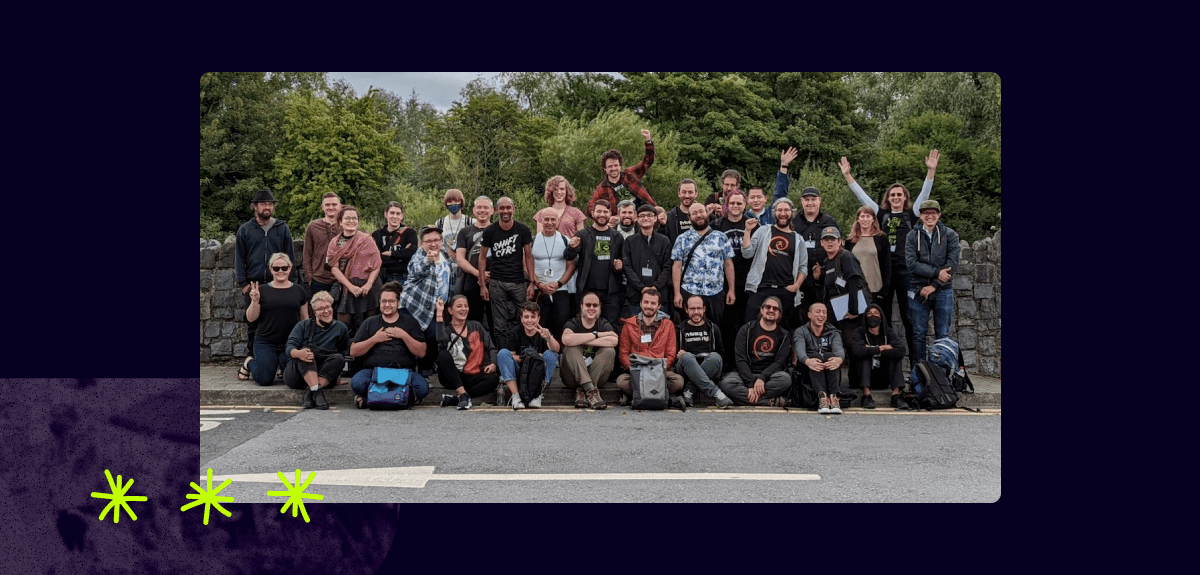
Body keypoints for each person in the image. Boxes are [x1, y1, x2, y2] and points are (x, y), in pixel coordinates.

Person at [840, 150, 937, 362]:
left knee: (908, 318)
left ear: (905, 198)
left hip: (905, 272)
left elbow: (925, 194)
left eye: (899, 195)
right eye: (892, 194)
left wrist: (931, 171)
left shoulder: (912, 215)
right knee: (882, 318)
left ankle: (915, 365)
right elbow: (862, 197)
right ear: (887, 198)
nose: (895, 197)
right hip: (884, 272)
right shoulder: (881, 214)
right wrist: (848, 175)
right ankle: (886, 363)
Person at [347, 281, 430, 408]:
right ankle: (399, 398)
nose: (387, 305)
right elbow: (353, 351)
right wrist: (374, 339)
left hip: (403, 372)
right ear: (379, 302)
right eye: (383, 301)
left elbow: (422, 352)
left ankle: (372, 398)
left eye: (391, 301)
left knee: (422, 387)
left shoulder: (410, 322)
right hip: (375, 373)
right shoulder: (370, 322)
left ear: (398, 303)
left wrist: (404, 335)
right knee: (357, 382)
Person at [235, 189, 297, 355]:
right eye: (263, 204)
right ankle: (252, 359)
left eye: (270, 204)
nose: (267, 207)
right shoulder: (245, 230)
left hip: (278, 282)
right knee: (253, 323)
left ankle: (280, 360)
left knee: (279, 322)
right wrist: (243, 284)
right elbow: (239, 259)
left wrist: (292, 283)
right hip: (254, 283)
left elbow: (290, 257)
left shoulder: (282, 228)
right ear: (255, 207)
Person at [237, 253, 310, 386]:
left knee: (290, 376)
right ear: (270, 269)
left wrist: (304, 343)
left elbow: (305, 319)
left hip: (289, 343)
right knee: (264, 379)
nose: (280, 271)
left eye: (284, 268)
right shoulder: (262, 290)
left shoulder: (299, 290)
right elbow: (251, 318)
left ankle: (280, 366)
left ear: (290, 268)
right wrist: (255, 301)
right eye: (276, 268)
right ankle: (249, 362)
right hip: (266, 341)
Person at [905, 199, 961, 362]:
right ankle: (920, 375)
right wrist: (937, 272)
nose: (930, 216)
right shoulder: (911, 236)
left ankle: (941, 376)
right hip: (917, 290)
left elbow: (952, 265)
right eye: (926, 213)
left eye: (933, 213)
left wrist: (934, 285)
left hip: (943, 291)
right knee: (918, 334)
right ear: (921, 216)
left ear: (939, 215)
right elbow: (912, 264)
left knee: (943, 334)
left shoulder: (950, 235)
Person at [478, 196, 535, 349]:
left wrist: (532, 282)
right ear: (496, 210)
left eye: (508, 208)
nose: (505, 211)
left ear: (513, 209)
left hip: (518, 282)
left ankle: (525, 352)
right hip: (497, 282)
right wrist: (482, 284)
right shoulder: (490, 231)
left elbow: (529, 256)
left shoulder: (522, 229)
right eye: (501, 208)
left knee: (524, 319)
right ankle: (503, 356)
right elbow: (482, 257)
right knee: (499, 324)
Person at [742, 197, 807, 330]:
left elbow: (803, 267)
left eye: (786, 210)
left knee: (785, 330)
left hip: (786, 290)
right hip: (760, 288)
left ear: (792, 213)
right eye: (779, 210)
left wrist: (796, 286)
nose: (783, 213)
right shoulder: (763, 231)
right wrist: (747, 231)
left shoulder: (798, 239)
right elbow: (747, 253)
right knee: (751, 327)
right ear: (774, 213)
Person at [779, 178, 839, 322]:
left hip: (823, 279)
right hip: (798, 278)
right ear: (801, 201)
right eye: (807, 200)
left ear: (819, 200)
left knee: (826, 316)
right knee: (799, 317)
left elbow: (837, 249)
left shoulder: (829, 221)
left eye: (813, 199)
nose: (810, 203)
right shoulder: (793, 221)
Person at [717, 297, 792, 406]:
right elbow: (741, 359)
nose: (771, 310)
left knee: (785, 379)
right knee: (726, 384)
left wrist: (762, 378)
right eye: (768, 307)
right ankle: (767, 401)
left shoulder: (784, 335)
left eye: (775, 309)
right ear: (761, 310)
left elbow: (779, 363)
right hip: (745, 374)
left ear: (779, 314)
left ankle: (743, 399)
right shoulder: (746, 330)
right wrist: (751, 384)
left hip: (769, 377)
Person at [615, 289, 685, 405]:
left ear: (659, 306)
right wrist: (634, 369)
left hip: (659, 370)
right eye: (646, 302)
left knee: (678, 382)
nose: (649, 306)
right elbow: (623, 353)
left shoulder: (668, 325)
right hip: (637, 370)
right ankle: (664, 397)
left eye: (653, 303)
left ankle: (636, 395)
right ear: (640, 303)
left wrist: (657, 371)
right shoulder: (629, 324)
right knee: (621, 381)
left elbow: (671, 354)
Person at [283, 290, 350, 410]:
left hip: (324, 374)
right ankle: (317, 392)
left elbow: (342, 352)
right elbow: (289, 347)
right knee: (306, 351)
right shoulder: (303, 325)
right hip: (298, 374)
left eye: (328, 307)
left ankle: (312, 389)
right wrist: (299, 353)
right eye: (321, 309)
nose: (326, 311)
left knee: (339, 358)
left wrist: (337, 376)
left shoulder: (341, 328)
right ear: (314, 312)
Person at [399, 226, 453, 375]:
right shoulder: (420, 256)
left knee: (433, 337)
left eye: (436, 240)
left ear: (441, 241)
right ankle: (411, 373)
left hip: (436, 306)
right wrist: (428, 260)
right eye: (428, 241)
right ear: (422, 243)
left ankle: (426, 372)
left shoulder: (444, 255)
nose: (433, 244)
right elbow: (415, 269)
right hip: (413, 306)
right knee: (417, 337)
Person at [671, 202, 736, 325]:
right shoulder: (682, 239)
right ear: (689, 218)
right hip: (690, 291)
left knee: (715, 328)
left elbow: (728, 264)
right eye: (694, 213)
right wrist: (677, 293)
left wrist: (731, 290)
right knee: (691, 330)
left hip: (715, 293)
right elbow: (677, 267)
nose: (699, 215)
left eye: (701, 211)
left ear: (707, 213)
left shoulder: (720, 237)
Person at [434, 295, 500, 411]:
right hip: (452, 376)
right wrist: (439, 314)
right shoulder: (447, 330)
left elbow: (491, 348)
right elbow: (441, 341)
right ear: (450, 310)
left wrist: (493, 363)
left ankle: (458, 398)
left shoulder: (476, 325)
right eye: (459, 306)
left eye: (466, 306)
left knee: (494, 379)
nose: (463, 309)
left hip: (473, 375)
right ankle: (462, 393)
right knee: (442, 355)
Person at [568, 199, 624, 328]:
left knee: (611, 325)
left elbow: (623, 262)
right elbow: (569, 256)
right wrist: (571, 247)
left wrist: (620, 267)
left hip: (610, 292)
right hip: (587, 289)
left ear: (610, 213)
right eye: (599, 211)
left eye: (605, 211)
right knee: (584, 324)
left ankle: (609, 349)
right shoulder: (583, 234)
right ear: (592, 213)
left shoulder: (617, 236)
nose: (602, 214)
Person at [326, 205, 383, 333]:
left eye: (354, 218)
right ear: (340, 222)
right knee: (343, 322)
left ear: (358, 221)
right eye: (347, 218)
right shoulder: (334, 243)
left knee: (371, 323)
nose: (351, 221)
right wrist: (350, 286)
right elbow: (334, 268)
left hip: (369, 286)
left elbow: (376, 264)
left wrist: (368, 285)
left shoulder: (367, 240)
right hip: (347, 285)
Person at [497, 302, 561, 410]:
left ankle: (537, 395)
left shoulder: (543, 333)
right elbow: (510, 356)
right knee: (502, 353)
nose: (529, 320)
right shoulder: (515, 332)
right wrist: (529, 358)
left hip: (538, 375)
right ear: (521, 319)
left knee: (551, 354)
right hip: (520, 374)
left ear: (538, 318)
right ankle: (516, 396)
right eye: (526, 317)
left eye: (533, 317)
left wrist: (549, 337)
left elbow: (557, 350)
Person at [560, 291, 618, 409]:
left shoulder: (603, 323)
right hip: (571, 378)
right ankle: (591, 391)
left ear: (600, 308)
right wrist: (596, 335)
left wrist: (581, 339)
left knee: (609, 351)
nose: (591, 308)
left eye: (595, 305)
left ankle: (584, 389)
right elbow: (566, 339)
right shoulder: (573, 323)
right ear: (581, 306)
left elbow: (614, 341)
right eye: (588, 305)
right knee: (570, 348)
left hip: (596, 377)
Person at [714, 189, 752, 366]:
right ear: (726, 205)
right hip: (723, 283)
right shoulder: (717, 225)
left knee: (746, 324)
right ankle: (728, 363)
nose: (735, 206)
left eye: (739, 203)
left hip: (747, 282)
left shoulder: (752, 225)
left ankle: (745, 362)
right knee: (727, 325)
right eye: (732, 203)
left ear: (745, 205)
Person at [675, 295, 733, 408]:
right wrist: (679, 354)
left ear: (704, 309)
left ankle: (690, 388)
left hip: (711, 368)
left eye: (699, 308)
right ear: (686, 310)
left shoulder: (713, 328)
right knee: (686, 357)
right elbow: (673, 357)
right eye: (692, 309)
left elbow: (721, 354)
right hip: (686, 369)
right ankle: (715, 392)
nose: (696, 312)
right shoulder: (679, 330)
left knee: (715, 357)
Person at [849, 303, 908, 410]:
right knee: (865, 356)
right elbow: (858, 350)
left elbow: (901, 350)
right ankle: (866, 396)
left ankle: (896, 396)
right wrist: (882, 348)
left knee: (894, 356)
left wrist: (871, 349)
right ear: (865, 317)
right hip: (862, 377)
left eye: (876, 313)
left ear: (881, 316)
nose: (873, 316)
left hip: (883, 377)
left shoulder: (888, 332)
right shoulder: (859, 332)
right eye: (869, 313)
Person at [620, 203, 673, 319]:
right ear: (637, 219)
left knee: (660, 331)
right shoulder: (630, 241)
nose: (646, 218)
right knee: (635, 331)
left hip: (659, 295)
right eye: (642, 215)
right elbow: (627, 267)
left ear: (655, 218)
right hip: (635, 296)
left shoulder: (664, 241)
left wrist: (655, 287)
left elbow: (667, 267)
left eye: (650, 215)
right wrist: (642, 288)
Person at [587, 129, 657, 217]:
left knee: (660, 210)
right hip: (623, 221)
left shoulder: (630, 174)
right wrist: (607, 219)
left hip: (644, 214)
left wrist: (648, 141)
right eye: (610, 166)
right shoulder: (601, 188)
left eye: (616, 165)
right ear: (604, 168)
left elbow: (648, 161)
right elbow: (590, 208)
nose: (614, 168)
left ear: (620, 166)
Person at [530, 209, 577, 338]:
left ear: (558, 221)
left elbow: (571, 266)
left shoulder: (565, 240)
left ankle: (560, 354)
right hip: (538, 289)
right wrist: (539, 284)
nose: (549, 223)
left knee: (561, 324)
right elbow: (527, 264)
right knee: (539, 325)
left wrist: (558, 283)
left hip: (560, 290)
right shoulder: (532, 240)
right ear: (541, 220)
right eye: (546, 219)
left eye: (553, 219)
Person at [794, 302, 845, 414]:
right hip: (807, 367)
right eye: (817, 312)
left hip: (827, 367)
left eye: (824, 312)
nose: (821, 315)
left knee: (830, 356)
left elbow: (839, 349)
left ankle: (833, 397)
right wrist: (807, 361)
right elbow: (800, 350)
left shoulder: (833, 332)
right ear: (809, 315)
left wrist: (839, 359)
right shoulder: (801, 331)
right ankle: (822, 398)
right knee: (816, 356)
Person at [455, 195, 494, 326]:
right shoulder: (465, 231)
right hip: (471, 282)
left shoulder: (499, 230)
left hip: (494, 282)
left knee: (495, 321)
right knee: (472, 320)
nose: (482, 210)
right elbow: (460, 259)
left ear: (492, 210)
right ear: (473, 210)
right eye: (479, 207)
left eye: (486, 207)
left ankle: (495, 346)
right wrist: (479, 274)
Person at [845, 206, 891, 311]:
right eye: (862, 216)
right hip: (856, 289)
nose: (865, 219)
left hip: (876, 289)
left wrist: (885, 289)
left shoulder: (881, 238)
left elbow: (887, 266)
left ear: (873, 219)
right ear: (858, 219)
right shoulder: (850, 241)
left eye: (868, 216)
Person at [302, 192, 342, 299]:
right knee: (320, 311)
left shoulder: (346, 226)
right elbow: (307, 254)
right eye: (327, 205)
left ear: (340, 206)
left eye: (334, 204)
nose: (331, 207)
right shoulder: (313, 226)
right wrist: (310, 278)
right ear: (322, 207)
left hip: (342, 279)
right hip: (319, 279)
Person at [372, 201, 417, 285]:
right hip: (383, 277)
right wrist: (400, 257)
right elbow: (376, 258)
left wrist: (391, 253)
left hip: (405, 277)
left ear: (402, 216)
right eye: (392, 213)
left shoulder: (410, 233)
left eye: (398, 214)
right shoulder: (376, 234)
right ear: (386, 214)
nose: (395, 216)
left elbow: (411, 253)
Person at [434, 189, 468, 294]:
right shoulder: (440, 223)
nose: (453, 204)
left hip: (464, 270)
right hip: (445, 270)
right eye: (450, 201)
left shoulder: (470, 222)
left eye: (456, 200)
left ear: (461, 201)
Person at [663, 179, 701, 245]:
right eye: (684, 192)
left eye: (690, 192)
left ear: (696, 193)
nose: (687, 196)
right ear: (679, 193)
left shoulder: (704, 216)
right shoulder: (669, 217)